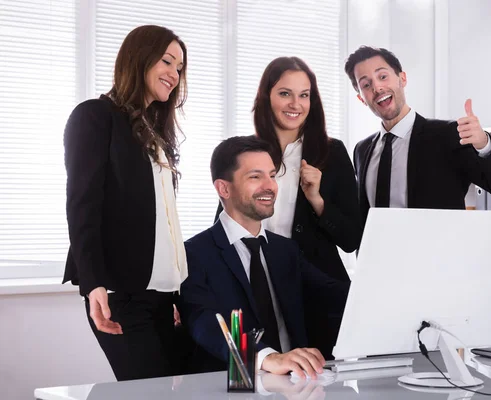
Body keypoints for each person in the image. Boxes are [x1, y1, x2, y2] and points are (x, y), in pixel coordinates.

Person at [63, 25, 190, 381]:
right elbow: (82, 206)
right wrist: (93, 284)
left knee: (170, 387)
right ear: (138, 58)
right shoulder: (95, 116)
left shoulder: (155, 133)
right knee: (147, 389)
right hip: (122, 293)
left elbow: (164, 221)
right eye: (167, 61)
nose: (174, 74)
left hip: (163, 296)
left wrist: (176, 286)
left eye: (179, 68)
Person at [218, 57, 361, 358]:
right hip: (257, 284)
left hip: (316, 291)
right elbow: (226, 219)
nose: (295, 103)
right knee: (256, 374)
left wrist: (318, 201)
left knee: (317, 383)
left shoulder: (332, 153)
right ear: (267, 96)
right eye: (285, 93)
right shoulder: (247, 152)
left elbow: (352, 238)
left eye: (304, 95)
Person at [180, 136, 349, 377]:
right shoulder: (194, 253)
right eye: (255, 177)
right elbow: (204, 324)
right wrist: (266, 357)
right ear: (224, 188)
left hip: (299, 383)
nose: (270, 186)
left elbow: (334, 293)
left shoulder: (286, 250)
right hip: (236, 384)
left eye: (272, 175)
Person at [345, 46, 491, 228]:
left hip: (436, 255)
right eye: (366, 85)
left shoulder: (448, 135)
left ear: (402, 79)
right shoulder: (362, 150)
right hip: (378, 255)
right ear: (361, 98)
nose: (377, 87)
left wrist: (484, 145)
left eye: (382, 76)